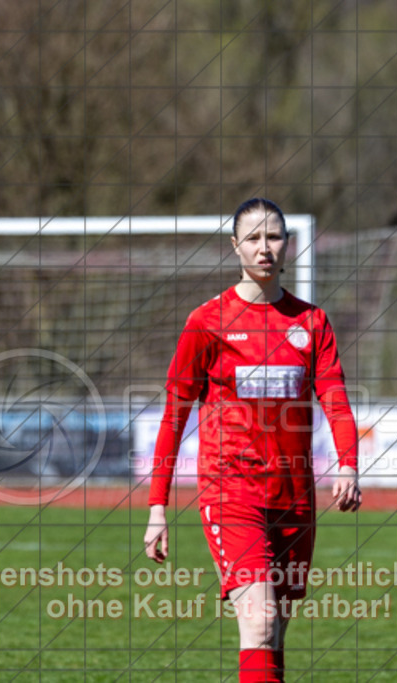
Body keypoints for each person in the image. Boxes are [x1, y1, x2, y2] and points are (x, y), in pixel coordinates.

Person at [143, 198, 362, 683]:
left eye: (275, 237)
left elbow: (336, 400)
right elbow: (174, 417)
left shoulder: (312, 323)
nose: (265, 248)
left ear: (288, 244)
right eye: (254, 238)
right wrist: (158, 507)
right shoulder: (207, 322)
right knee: (260, 621)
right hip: (231, 491)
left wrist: (348, 463)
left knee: (276, 631)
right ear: (235, 246)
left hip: (294, 496)